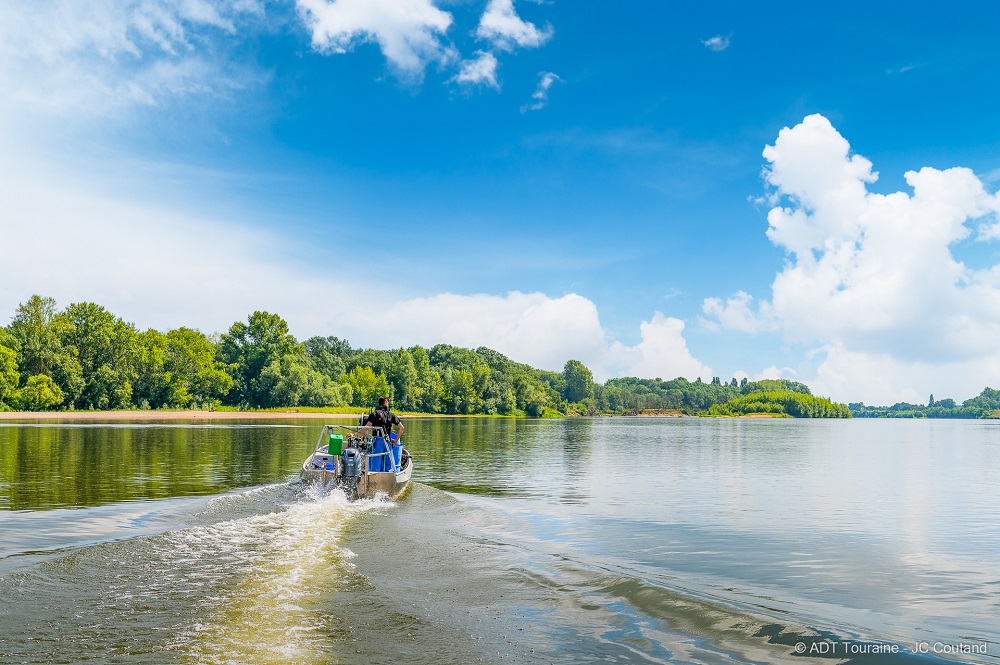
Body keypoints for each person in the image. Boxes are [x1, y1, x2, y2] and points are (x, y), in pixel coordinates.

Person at [361, 397, 403, 472]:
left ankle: (375, 479)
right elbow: (401, 428)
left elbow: (367, 427)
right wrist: (395, 441)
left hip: (378, 441)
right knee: (389, 465)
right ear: (386, 403)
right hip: (388, 441)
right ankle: (390, 479)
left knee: (376, 464)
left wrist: (355, 434)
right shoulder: (391, 415)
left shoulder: (374, 414)